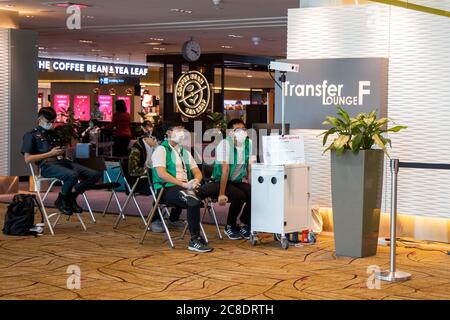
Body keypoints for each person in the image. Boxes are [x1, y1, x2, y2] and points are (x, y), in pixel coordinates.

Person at [21, 107, 102, 216]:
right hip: (47, 165)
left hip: (63, 162)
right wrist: (50, 154)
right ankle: (62, 200)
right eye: (48, 122)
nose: (51, 124)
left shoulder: (54, 133)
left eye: (53, 122)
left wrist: (63, 153)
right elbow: (28, 159)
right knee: (72, 175)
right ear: (40, 119)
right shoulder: (31, 135)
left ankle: (71, 196)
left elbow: (60, 150)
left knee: (95, 174)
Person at [151, 124, 213, 252]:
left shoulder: (184, 151)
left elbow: (197, 171)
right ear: (168, 133)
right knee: (193, 199)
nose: (182, 133)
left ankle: (196, 236)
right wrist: (183, 184)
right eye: (178, 130)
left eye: (183, 130)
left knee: (207, 192)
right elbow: (161, 174)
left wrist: (196, 180)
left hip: (185, 187)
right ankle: (194, 239)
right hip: (166, 189)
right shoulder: (161, 150)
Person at [201, 119, 256, 240]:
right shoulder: (225, 145)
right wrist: (221, 194)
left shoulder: (250, 143)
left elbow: (251, 168)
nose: (242, 132)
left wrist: (251, 187)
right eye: (238, 130)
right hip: (221, 181)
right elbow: (225, 170)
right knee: (240, 195)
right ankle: (230, 226)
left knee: (254, 192)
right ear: (230, 132)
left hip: (236, 181)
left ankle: (244, 224)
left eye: (244, 129)